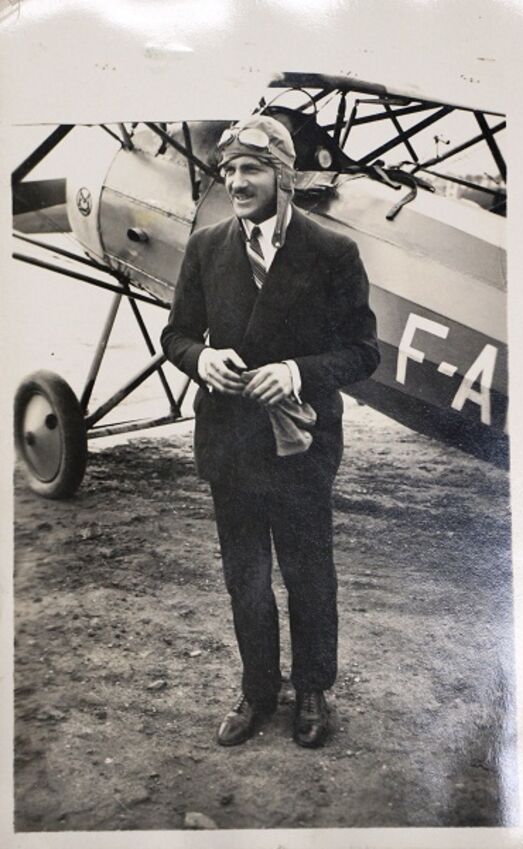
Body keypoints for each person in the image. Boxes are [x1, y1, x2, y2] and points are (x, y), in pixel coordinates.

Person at [161, 114, 379, 748]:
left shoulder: (333, 251)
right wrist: (200, 360)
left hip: (301, 443)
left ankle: (312, 691)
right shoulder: (207, 247)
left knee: (309, 570)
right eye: (227, 170)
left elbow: (363, 352)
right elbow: (176, 335)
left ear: (282, 175)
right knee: (246, 576)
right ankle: (258, 691)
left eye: (249, 169)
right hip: (231, 442)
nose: (234, 181)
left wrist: (295, 372)